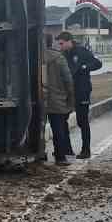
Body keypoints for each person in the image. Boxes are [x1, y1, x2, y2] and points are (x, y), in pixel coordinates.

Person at [57, 32, 103, 158]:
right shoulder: (62, 55)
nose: (60, 46)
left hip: (82, 91)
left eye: (61, 43)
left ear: (69, 41)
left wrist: (84, 67)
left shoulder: (82, 51)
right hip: (67, 92)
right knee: (62, 119)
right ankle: (67, 148)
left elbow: (98, 64)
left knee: (82, 121)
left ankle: (86, 150)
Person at [44, 34, 76, 165]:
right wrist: (70, 99)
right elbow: (68, 80)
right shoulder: (59, 58)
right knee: (59, 129)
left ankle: (40, 154)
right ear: (51, 43)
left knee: (36, 128)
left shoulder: (32, 56)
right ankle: (61, 156)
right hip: (56, 99)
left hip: (37, 100)